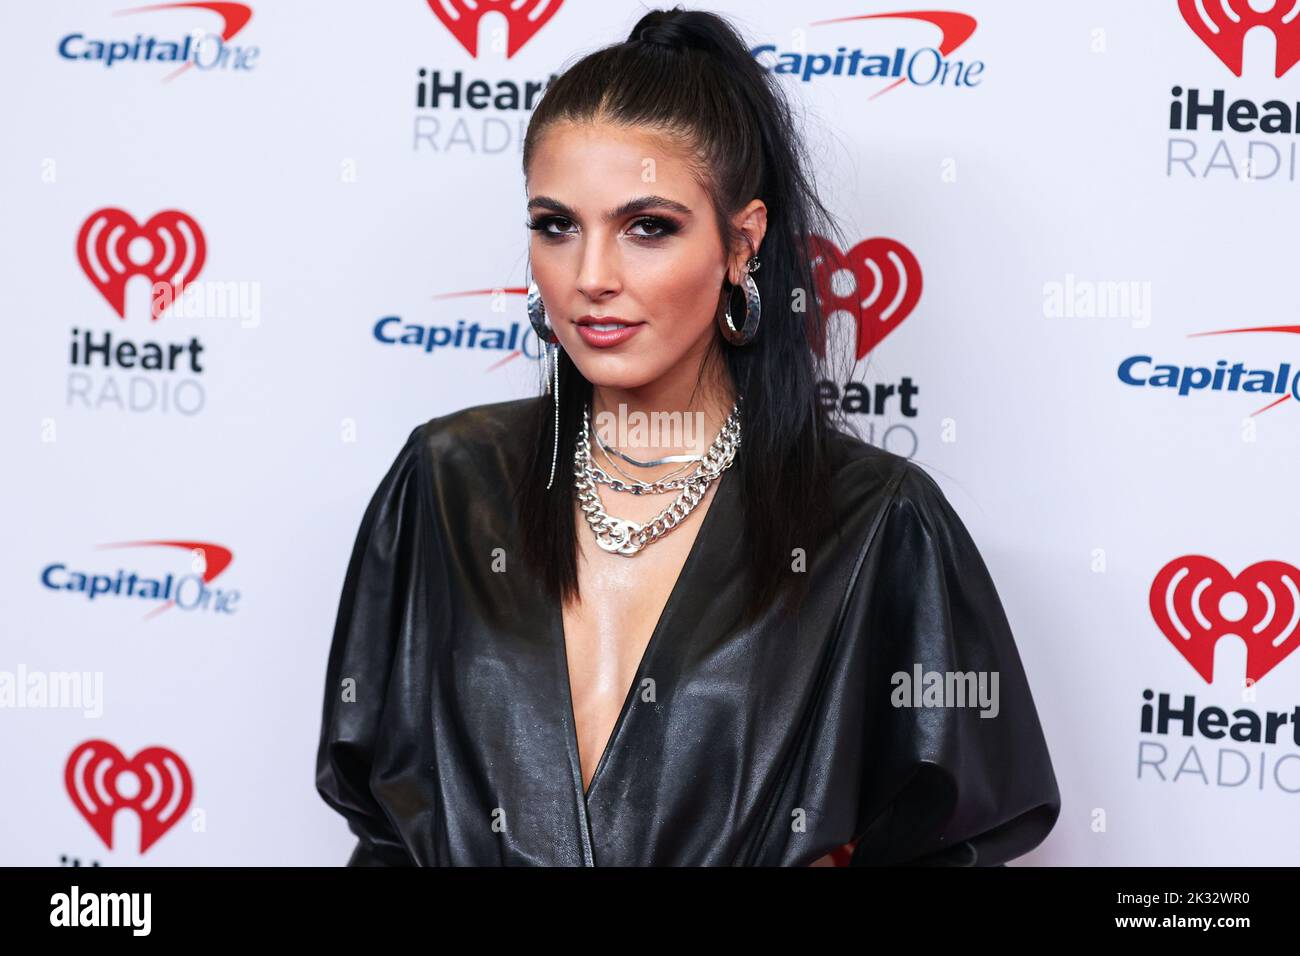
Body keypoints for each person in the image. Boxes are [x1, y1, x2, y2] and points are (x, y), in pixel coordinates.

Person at [315, 6, 1061, 866]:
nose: (591, 277)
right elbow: (382, 820)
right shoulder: (446, 485)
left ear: (741, 243)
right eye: (556, 226)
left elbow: (966, 831)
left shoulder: (875, 526)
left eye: (648, 227)